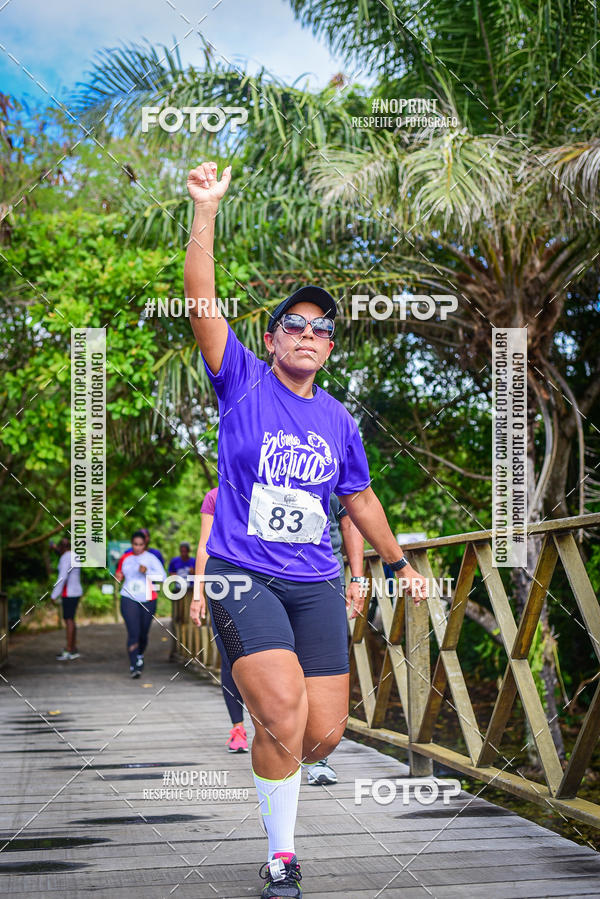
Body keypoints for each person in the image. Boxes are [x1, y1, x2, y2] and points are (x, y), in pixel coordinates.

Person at [184, 161, 426, 899]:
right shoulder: (241, 378)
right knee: (283, 709)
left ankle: (280, 753)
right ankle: (282, 857)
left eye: (322, 329)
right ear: (272, 337)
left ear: (329, 348)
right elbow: (201, 301)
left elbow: (360, 498)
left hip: (315, 579)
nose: (309, 334)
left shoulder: (339, 420)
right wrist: (205, 209)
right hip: (241, 572)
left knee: (320, 734)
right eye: (296, 324)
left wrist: (396, 563)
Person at [303, 494, 366, 786]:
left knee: (319, 671)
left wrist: (358, 578)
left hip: (324, 581)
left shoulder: (334, 471)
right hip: (268, 581)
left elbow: (351, 521)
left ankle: (318, 757)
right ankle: (281, 747)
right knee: (282, 667)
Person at [192, 487, 249, 753]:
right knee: (230, 656)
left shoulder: (268, 486)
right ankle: (238, 728)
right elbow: (204, 546)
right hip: (224, 584)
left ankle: (272, 726)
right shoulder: (214, 496)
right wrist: (197, 594)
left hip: (264, 581)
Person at [115, 529, 167, 678]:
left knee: (143, 633)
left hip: (148, 598)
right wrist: (118, 576)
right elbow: (119, 574)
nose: (137, 547)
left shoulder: (151, 558)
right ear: (131, 544)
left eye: (140, 544)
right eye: (135, 544)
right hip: (128, 597)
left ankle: (139, 655)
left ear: (145, 545)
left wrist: (147, 572)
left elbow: (163, 578)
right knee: (133, 632)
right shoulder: (126, 558)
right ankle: (134, 665)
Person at [50, 537, 82, 661]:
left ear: (62, 547)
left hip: (68, 592)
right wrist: (55, 548)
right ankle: (73, 648)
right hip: (76, 591)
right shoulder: (74, 555)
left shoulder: (65, 557)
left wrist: (54, 595)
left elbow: (62, 577)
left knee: (68, 620)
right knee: (71, 620)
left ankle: (68, 650)